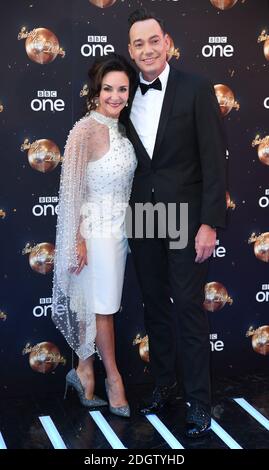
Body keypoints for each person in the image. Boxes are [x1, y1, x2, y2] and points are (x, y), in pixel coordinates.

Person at [126, 8, 227, 437]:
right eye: (138, 43)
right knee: (155, 305)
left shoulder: (196, 88)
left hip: (187, 218)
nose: (147, 49)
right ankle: (165, 386)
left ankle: (199, 402)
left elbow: (214, 160)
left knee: (187, 307)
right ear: (129, 51)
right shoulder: (123, 93)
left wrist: (210, 223)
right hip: (145, 214)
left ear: (166, 42)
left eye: (153, 40)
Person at [52, 54, 137, 418]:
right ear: (96, 91)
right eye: (108, 89)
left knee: (96, 303)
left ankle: (84, 372)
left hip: (119, 231)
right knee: (103, 309)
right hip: (94, 232)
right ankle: (113, 380)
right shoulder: (84, 130)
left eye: (122, 89)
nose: (115, 96)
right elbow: (70, 191)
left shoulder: (123, 129)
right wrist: (76, 240)